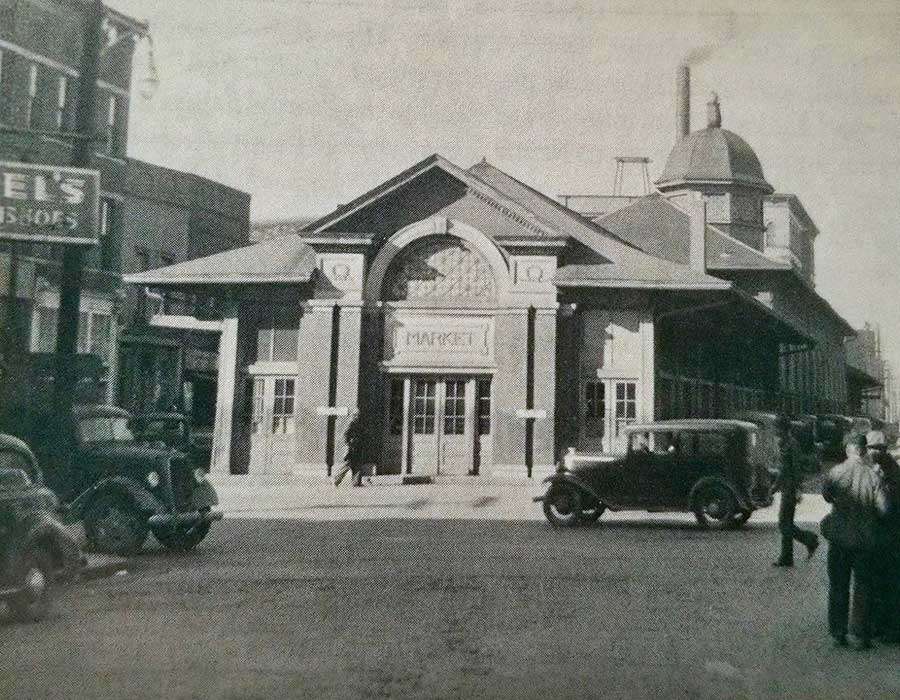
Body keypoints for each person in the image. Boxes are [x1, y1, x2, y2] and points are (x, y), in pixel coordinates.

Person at [820, 433, 889, 649]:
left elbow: (827, 496)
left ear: (847, 449)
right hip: (864, 541)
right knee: (863, 586)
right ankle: (860, 634)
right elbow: (884, 509)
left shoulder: (835, 472)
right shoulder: (873, 476)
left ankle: (838, 632)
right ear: (864, 450)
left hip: (839, 539)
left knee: (838, 585)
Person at [863, 430, 900, 643]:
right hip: (889, 535)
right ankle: (883, 625)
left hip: (887, 536)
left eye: (872, 449)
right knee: (886, 582)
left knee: (886, 583)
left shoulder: (886, 472)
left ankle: (890, 629)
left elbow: (886, 508)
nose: (870, 453)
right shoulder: (889, 469)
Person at [772, 416, 819, 567]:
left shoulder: (792, 445)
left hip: (790, 488)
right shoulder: (785, 443)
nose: (775, 431)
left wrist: (797, 488)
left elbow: (796, 469)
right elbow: (783, 469)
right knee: (786, 523)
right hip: (786, 487)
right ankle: (786, 557)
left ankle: (809, 540)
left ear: (783, 429)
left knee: (783, 523)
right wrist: (776, 486)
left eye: (776, 428)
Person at [333, 413, 364, 487]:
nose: (357, 418)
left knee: (354, 466)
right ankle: (338, 479)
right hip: (353, 448)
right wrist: (350, 442)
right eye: (355, 416)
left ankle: (356, 482)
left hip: (356, 447)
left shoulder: (357, 425)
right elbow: (347, 435)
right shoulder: (353, 425)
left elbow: (347, 435)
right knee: (351, 465)